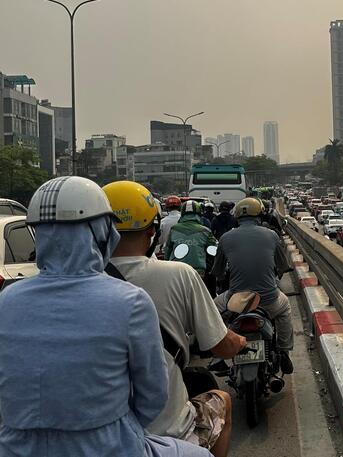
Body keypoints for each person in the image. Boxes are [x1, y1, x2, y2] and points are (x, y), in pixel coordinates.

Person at [0, 176, 210, 457]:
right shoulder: (130, 301)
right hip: (108, 447)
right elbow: (153, 396)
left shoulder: (8, 300)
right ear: (101, 232)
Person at [103, 181, 246, 457]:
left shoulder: (78, 285)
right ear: (152, 231)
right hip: (169, 433)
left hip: (101, 436)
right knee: (222, 400)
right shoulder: (180, 273)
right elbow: (220, 346)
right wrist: (238, 341)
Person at [211, 197, 294, 374]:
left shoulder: (225, 238)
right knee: (285, 307)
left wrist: (223, 279)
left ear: (238, 217)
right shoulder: (271, 235)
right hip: (268, 300)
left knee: (212, 310)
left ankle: (218, 356)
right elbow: (283, 265)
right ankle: (284, 351)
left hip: (236, 301)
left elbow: (217, 271)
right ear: (260, 214)